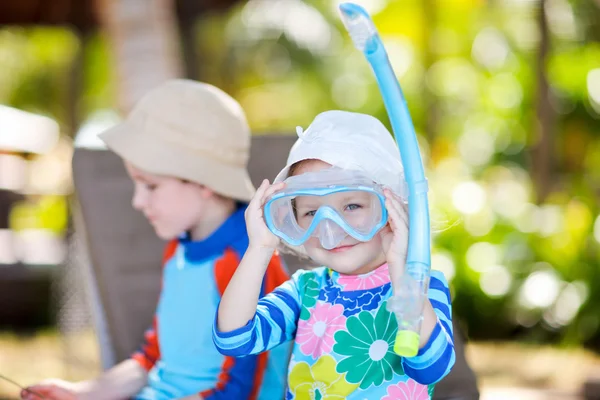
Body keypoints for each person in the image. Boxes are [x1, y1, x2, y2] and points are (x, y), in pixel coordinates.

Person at [22, 80, 290, 400]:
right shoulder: (178, 247)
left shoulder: (249, 259)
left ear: (203, 181)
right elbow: (152, 357)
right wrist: (83, 393)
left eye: (150, 186)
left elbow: (241, 390)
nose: (137, 201)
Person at [213, 110, 455, 399]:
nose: (330, 228)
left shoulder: (421, 284)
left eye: (352, 206)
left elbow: (432, 367)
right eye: (311, 212)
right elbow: (234, 340)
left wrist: (401, 270)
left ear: (393, 208)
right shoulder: (305, 290)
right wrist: (259, 249)